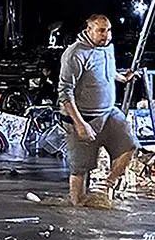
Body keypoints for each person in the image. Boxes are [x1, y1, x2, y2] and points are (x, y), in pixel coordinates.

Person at [59, 14, 139, 206]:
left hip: (108, 113)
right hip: (82, 117)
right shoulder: (74, 54)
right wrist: (81, 124)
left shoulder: (106, 48)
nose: (107, 35)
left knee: (129, 146)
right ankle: (76, 205)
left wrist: (122, 78)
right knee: (80, 169)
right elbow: (65, 92)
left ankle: (106, 186)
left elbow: (108, 71)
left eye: (108, 30)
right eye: (101, 31)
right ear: (89, 30)